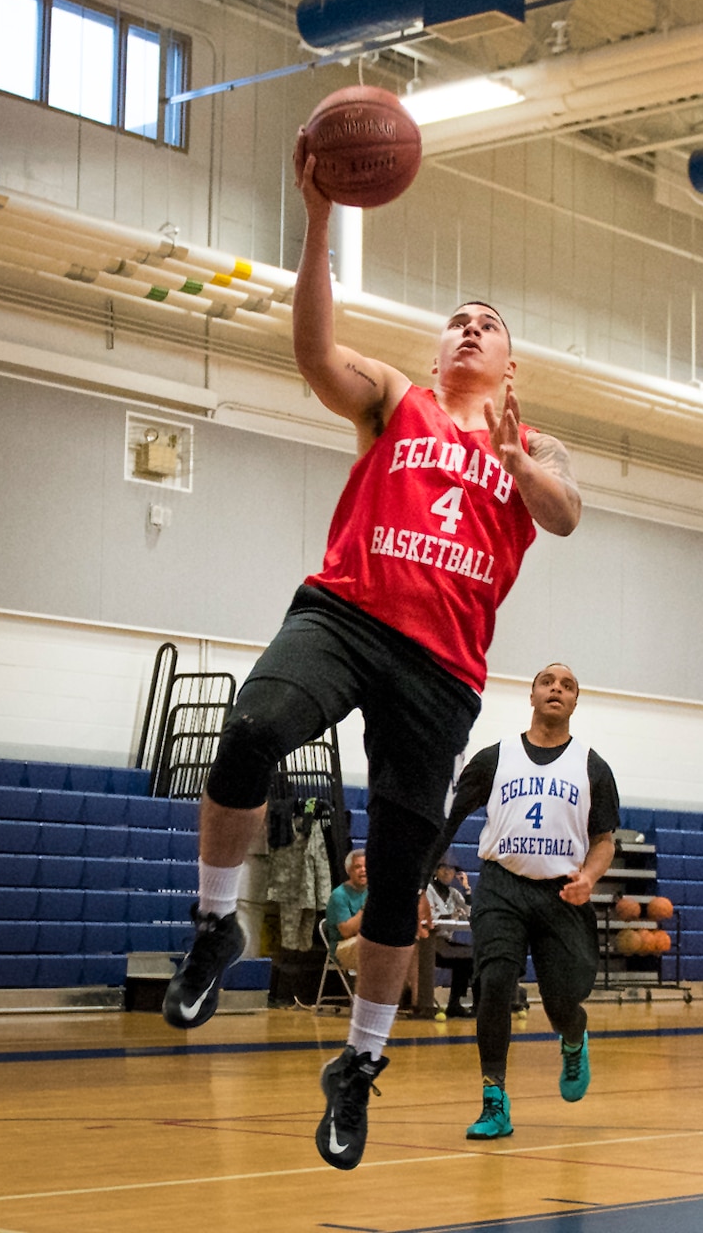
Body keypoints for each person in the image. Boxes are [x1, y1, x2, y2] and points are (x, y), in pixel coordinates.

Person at [160, 136, 582, 1174]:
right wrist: (313, 216)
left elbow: (566, 516)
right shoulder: (398, 400)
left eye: (489, 325)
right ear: (440, 354)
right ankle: (218, 927)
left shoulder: (533, 447)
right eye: (458, 321)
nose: (471, 328)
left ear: (509, 364)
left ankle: (356, 1066)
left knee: (398, 881)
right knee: (250, 728)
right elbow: (313, 353)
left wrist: (524, 467)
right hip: (345, 614)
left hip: (439, 671)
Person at [431, 662, 620, 1140]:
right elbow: (448, 822)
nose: (556, 688)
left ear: (576, 702)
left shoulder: (593, 766)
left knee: (561, 1001)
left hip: (562, 891)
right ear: (532, 696)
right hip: (502, 885)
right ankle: (494, 1099)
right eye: (547, 682)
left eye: (568, 685)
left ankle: (573, 1038)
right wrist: (416, 882)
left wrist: (590, 878)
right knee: (494, 980)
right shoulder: (495, 758)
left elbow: (604, 840)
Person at [426, 859, 474, 1019]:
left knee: (473, 956)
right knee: (464, 957)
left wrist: (466, 889)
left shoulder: (454, 893)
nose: (447, 872)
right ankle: (453, 1003)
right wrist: (451, 915)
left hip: (446, 942)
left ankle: (457, 1002)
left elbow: (470, 913)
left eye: (451, 869)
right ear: (435, 871)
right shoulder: (428, 890)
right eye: (443, 868)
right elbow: (429, 917)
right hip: (429, 941)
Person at [325, 850, 369, 978]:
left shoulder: (372, 890)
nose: (363, 870)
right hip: (342, 947)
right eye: (358, 867)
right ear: (349, 871)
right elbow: (346, 932)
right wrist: (366, 907)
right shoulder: (339, 896)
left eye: (367, 866)